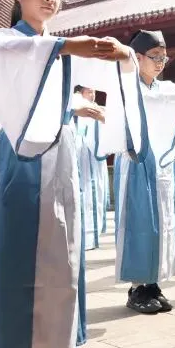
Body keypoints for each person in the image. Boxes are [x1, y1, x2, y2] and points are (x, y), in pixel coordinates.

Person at [0, 0, 139, 348]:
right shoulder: (4, 41)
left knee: (57, 254)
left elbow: (110, 69)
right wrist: (69, 47)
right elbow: (14, 60)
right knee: (14, 252)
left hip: (60, 156)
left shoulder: (59, 47)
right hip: (19, 156)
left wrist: (122, 55)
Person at [114, 30, 175, 314]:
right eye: (155, 56)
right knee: (140, 222)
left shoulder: (166, 88)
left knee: (163, 223)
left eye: (164, 57)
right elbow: (151, 103)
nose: (160, 62)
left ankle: (153, 282)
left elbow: (174, 100)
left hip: (161, 163)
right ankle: (136, 287)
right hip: (136, 159)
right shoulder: (127, 86)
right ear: (137, 57)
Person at [73, 86, 109, 250]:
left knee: (96, 192)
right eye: (89, 91)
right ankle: (83, 235)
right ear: (81, 93)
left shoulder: (98, 109)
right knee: (84, 192)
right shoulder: (76, 105)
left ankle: (92, 233)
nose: (92, 95)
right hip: (80, 154)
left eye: (94, 92)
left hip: (94, 156)